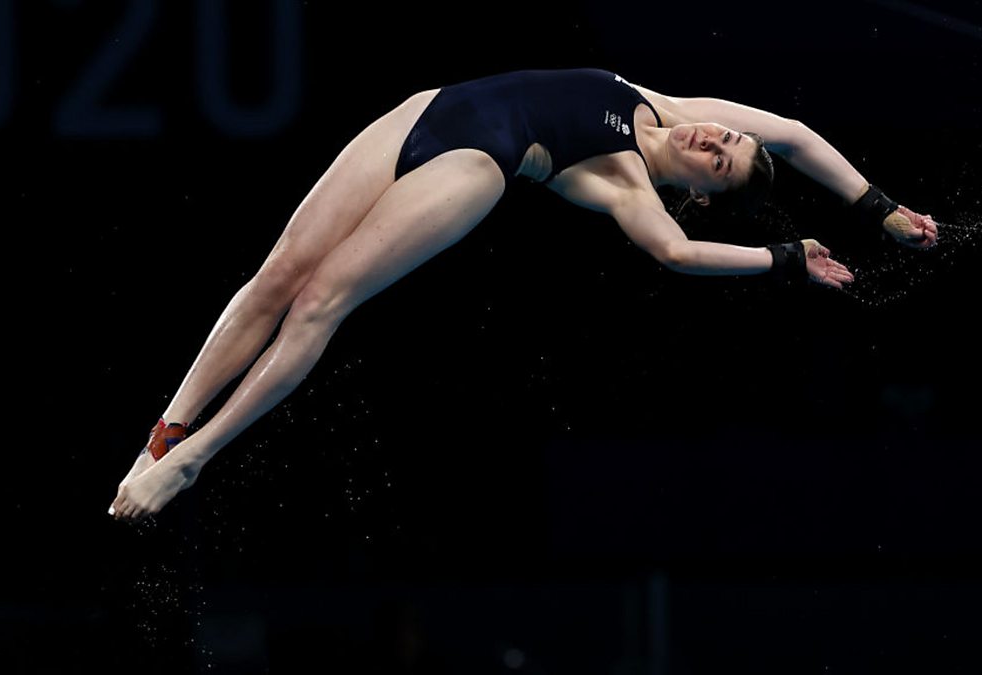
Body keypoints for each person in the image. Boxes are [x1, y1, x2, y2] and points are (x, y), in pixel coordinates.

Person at [108, 68, 938, 522]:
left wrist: (783, 256)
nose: (713, 138)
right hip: (424, 109)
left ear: (703, 190)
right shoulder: (663, 101)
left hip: (473, 166)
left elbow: (679, 255)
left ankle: (191, 461)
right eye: (726, 136)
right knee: (276, 275)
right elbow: (789, 137)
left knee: (321, 299)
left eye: (718, 159)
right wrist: (882, 207)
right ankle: (167, 427)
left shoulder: (632, 189)